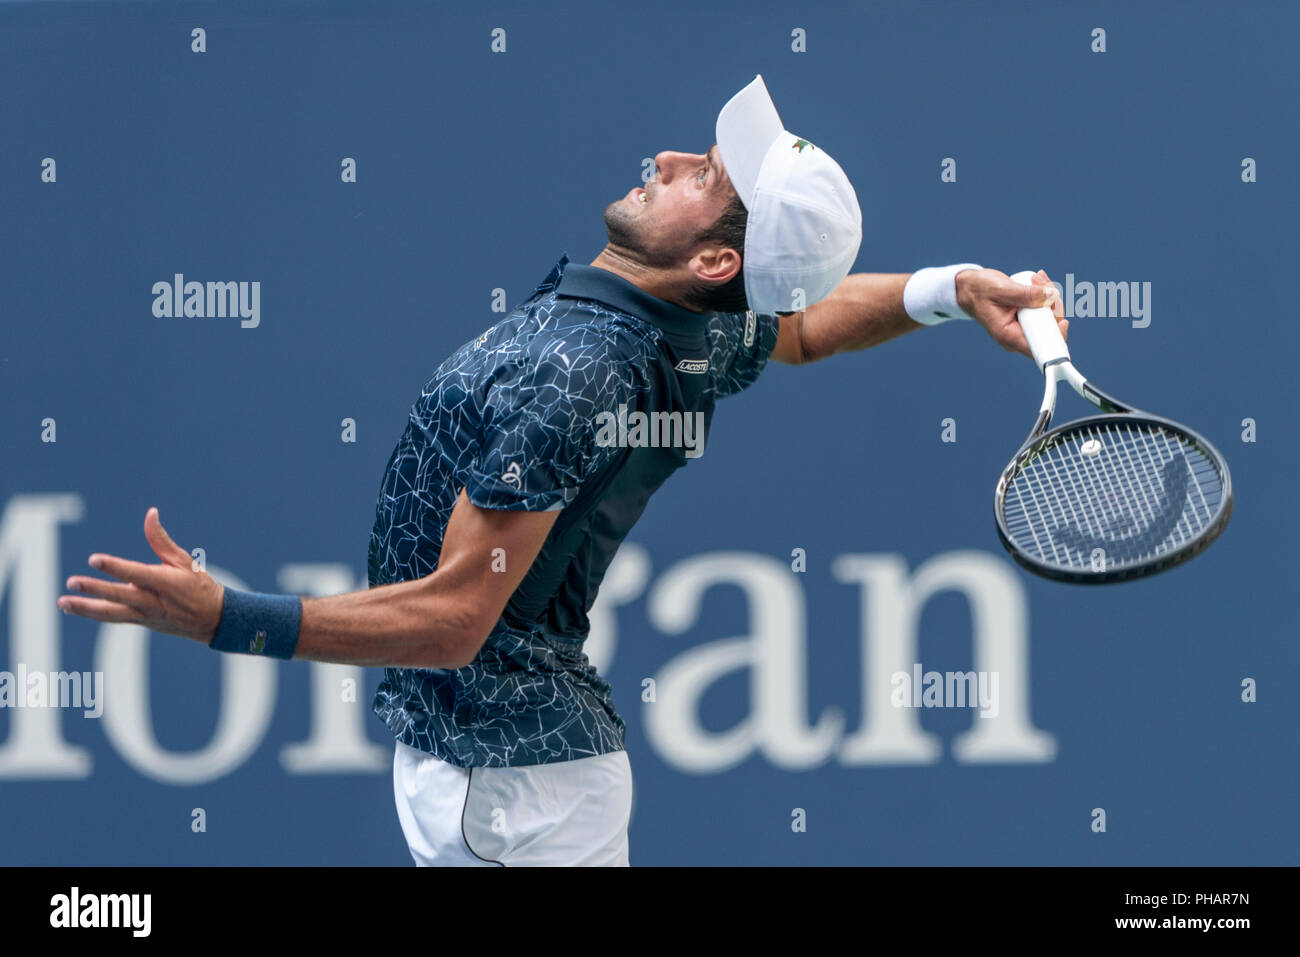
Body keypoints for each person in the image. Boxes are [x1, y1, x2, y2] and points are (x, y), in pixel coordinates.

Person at [56, 74, 1066, 866]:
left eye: (703, 176)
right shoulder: (688, 332)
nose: (667, 158)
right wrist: (951, 286)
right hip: (507, 779)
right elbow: (805, 326)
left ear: (716, 265)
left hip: (512, 795)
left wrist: (225, 619)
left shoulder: (572, 370)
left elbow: (456, 621)